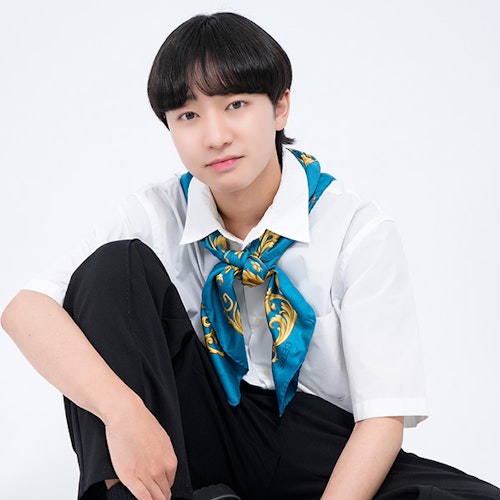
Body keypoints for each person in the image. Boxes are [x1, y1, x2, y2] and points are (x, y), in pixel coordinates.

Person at [1, 11, 499, 500]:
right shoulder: (155, 213)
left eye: (235, 105)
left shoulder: (356, 230)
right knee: (112, 268)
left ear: (280, 108)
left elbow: (381, 419)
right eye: (189, 116)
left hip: (320, 447)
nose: (215, 136)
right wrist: (122, 412)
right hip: (197, 434)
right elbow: (26, 309)